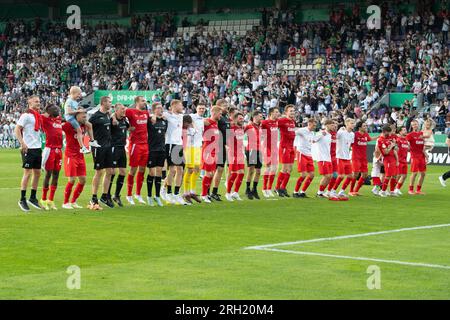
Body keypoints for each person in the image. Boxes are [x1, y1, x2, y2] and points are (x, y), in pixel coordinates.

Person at [15, 95, 43, 212]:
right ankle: (22, 199)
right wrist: (22, 143)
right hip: (28, 148)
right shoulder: (26, 115)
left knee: (37, 173)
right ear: (29, 103)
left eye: (39, 101)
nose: (38, 103)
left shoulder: (38, 116)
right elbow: (17, 129)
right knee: (27, 173)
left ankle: (32, 197)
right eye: (36, 101)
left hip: (37, 147)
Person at [89, 96, 114, 209]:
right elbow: (87, 127)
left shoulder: (107, 115)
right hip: (99, 147)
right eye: (109, 102)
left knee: (110, 171)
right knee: (99, 172)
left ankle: (104, 195)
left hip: (108, 147)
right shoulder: (95, 116)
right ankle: (93, 196)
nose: (110, 104)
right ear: (103, 103)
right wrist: (92, 141)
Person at [62, 111, 89, 209]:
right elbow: (60, 127)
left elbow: (84, 136)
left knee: (83, 180)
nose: (85, 118)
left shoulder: (84, 126)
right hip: (70, 155)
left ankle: (73, 201)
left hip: (80, 155)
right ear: (76, 117)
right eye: (83, 116)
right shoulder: (69, 125)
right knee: (72, 179)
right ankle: (65, 203)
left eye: (85, 116)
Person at [125, 96, 149, 205]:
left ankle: (138, 194)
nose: (144, 102)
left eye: (145, 101)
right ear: (137, 102)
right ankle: (129, 195)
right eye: (142, 101)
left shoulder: (146, 113)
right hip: (135, 144)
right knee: (133, 169)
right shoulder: (130, 111)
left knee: (142, 169)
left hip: (145, 144)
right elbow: (118, 115)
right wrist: (127, 128)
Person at [163, 99, 187, 205]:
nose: (182, 107)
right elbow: (155, 115)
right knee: (172, 170)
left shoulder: (182, 116)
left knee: (181, 170)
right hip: (170, 144)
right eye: (181, 105)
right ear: (174, 105)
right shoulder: (167, 115)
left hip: (179, 144)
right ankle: (168, 192)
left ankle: (176, 194)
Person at [40, 105, 63, 211]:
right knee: (48, 174)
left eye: (58, 109)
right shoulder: (45, 120)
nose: (57, 110)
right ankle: (43, 199)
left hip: (59, 150)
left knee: (56, 175)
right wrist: (47, 112)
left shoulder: (59, 119)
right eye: (55, 109)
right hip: (50, 150)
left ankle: (51, 200)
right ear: (49, 111)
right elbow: (39, 115)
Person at [64, 86, 99, 153]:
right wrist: (78, 111)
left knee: (89, 125)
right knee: (79, 131)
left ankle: (92, 141)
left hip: (74, 117)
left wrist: (81, 109)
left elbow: (76, 110)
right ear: (73, 93)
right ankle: (82, 147)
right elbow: (68, 112)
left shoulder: (75, 102)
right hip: (70, 118)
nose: (79, 96)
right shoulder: (69, 101)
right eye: (78, 94)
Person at [146, 102, 167, 207]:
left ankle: (157, 196)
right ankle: (149, 196)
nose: (161, 110)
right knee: (152, 172)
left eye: (161, 108)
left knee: (159, 172)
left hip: (161, 149)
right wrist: (152, 116)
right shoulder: (150, 121)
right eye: (158, 108)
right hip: (151, 149)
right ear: (154, 110)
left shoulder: (164, 121)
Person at [329, 118, 355, 201]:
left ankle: (342, 191)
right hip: (339, 157)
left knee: (350, 176)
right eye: (351, 123)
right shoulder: (341, 132)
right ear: (346, 124)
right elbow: (333, 137)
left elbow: (350, 145)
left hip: (347, 157)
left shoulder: (352, 134)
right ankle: (332, 191)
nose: (353, 124)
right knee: (341, 176)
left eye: (354, 123)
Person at [293, 118, 321, 198]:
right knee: (303, 175)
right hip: (301, 153)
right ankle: (295, 192)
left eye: (315, 125)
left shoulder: (312, 133)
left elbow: (313, 141)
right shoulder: (302, 130)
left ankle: (302, 192)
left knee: (311, 175)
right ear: (309, 123)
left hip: (309, 154)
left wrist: (321, 134)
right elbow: (293, 133)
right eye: (314, 125)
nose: (315, 127)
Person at [109, 103, 130, 207]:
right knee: (112, 172)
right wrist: (112, 117)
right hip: (114, 147)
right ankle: (107, 194)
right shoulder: (112, 120)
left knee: (122, 172)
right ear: (116, 110)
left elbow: (129, 127)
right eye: (122, 109)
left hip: (122, 148)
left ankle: (116, 195)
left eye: (124, 109)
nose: (123, 110)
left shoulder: (125, 120)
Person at [184, 104, 206, 203]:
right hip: (190, 147)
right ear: (196, 109)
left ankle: (192, 192)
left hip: (198, 147)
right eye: (200, 108)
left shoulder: (202, 119)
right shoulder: (192, 116)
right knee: (189, 170)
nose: (201, 110)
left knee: (197, 169)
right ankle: (186, 193)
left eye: (203, 108)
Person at [200, 106, 222, 203]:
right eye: (219, 113)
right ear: (214, 113)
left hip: (214, 151)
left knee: (212, 173)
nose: (220, 115)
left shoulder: (215, 124)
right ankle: (204, 194)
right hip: (208, 151)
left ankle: (206, 193)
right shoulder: (207, 121)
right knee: (208, 173)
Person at [211, 99, 231, 201]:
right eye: (224, 105)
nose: (226, 107)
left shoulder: (226, 117)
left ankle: (214, 192)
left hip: (223, 146)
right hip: (217, 146)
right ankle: (206, 192)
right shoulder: (217, 118)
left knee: (220, 169)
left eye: (227, 105)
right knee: (212, 170)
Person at [275, 104, 296, 197]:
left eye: (293, 111)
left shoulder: (292, 121)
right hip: (284, 147)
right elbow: (273, 123)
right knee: (284, 168)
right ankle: (277, 187)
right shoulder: (282, 120)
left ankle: (283, 188)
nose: (292, 112)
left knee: (290, 169)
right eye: (290, 111)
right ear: (286, 112)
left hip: (291, 147)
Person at [349, 122, 375, 196]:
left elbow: (369, 139)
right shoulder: (355, 134)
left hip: (363, 158)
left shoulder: (366, 134)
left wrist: (378, 137)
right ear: (359, 127)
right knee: (355, 174)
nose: (366, 127)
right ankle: (351, 191)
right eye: (364, 126)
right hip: (356, 157)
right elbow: (350, 143)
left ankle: (356, 190)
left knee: (365, 174)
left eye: (366, 125)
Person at [225, 112, 245, 201]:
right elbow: (228, 142)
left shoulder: (241, 128)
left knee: (241, 173)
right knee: (234, 174)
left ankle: (235, 193)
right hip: (233, 153)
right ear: (235, 119)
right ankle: (228, 193)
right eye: (240, 118)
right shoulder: (231, 128)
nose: (242, 120)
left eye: (242, 118)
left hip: (240, 153)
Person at [260, 107, 280, 198]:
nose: (278, 113)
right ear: (271, 113)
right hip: (267, 147)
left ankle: (269, 188)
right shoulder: (264, 123)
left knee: (275, 168)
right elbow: (259, 131)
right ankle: (264, 188)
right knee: (268, 167)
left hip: (275, 147)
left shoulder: (277, 122)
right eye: (276, 112)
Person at [312, 119, 333, 197]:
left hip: (328, 158)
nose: (333, 126)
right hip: (322, 158)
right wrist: (321, 134)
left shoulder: (330, 135)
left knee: (330, 176)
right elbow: (313, 140)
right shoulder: (321, 133)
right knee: (326, 176)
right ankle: (319, 192)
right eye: (331, 125)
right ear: (327, 125)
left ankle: (321, 192)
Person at [244, 110, 263, 200]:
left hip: (259, 150)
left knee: (258, 171)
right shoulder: (248, 126)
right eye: (260, 116)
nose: (261, 118)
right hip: (251, 149)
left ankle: (254, 189)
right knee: (251, 170)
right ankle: (247, 189)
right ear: (254, 117)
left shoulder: (261, 126)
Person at [377, 125, 399, 198]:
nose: (390, 134)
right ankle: (382, 191)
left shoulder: (389, 138)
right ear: (385, 132)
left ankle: (392, 191)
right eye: (389, 132)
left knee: (395, 175)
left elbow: (395, 148)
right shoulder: (380, 140)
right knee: (388, 176)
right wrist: (391, 146)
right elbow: (385, 152)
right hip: (387, 159)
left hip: (393, 158)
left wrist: (394, 145)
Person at [406, 120, 427, 195]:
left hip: (422, 156)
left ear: (418, 125)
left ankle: (418, 190)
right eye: (413, 125)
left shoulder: (421, 134)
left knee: (423, 174)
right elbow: (406, 143)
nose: (415, 126)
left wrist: (426, 155)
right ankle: (410, 189)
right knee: (414, 173)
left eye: (416, 124)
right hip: (414, 156)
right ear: (411, 126)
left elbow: (422, 146)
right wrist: (408, 148)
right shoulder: (410, 135)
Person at [394, 126, 409, 195]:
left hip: (404, 160)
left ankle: (397, 189)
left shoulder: (406, 139)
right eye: (404, 130)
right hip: (399, 160)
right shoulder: (398, 139)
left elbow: (407, 149)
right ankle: (393, 189)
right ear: (400, 132)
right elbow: (395, 149)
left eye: (405, 130)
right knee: (398, 175)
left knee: (404, 175)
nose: (405, 131)